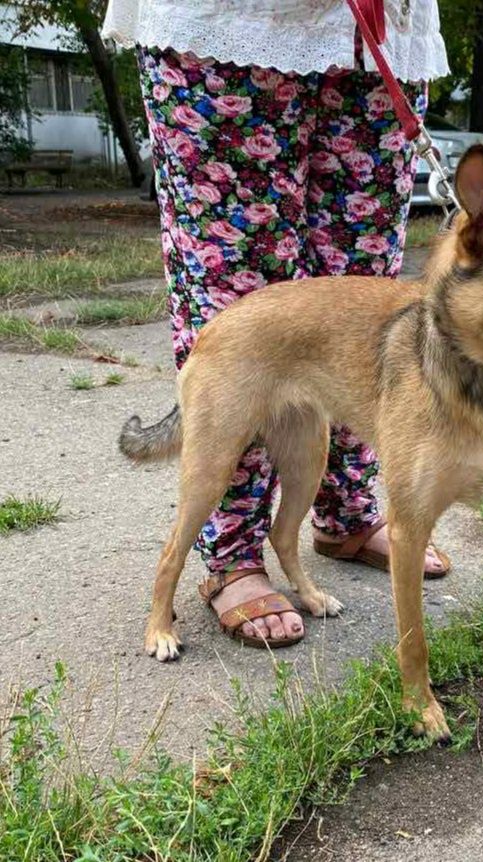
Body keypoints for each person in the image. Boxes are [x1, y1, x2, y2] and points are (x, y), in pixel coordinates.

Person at [102, 0, 451, 649]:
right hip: (229, 28)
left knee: (365, 309)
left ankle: (344, 512)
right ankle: (228, 553)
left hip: (376, 43)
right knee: (239, 295)